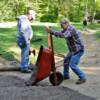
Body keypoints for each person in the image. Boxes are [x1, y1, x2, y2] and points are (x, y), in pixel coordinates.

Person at [45, 18, 86, 84]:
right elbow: (60, 33)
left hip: (78, 50)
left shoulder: (71, 29)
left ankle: (82, 77)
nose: (61, 26)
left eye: (62, 25)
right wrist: (51, 32)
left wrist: (51, 31)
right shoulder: (65, 29)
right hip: (72, 50)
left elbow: (63, 35)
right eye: (60, 25)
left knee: (72, 64)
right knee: (66, 61)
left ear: (67, 23)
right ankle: (66, 75)